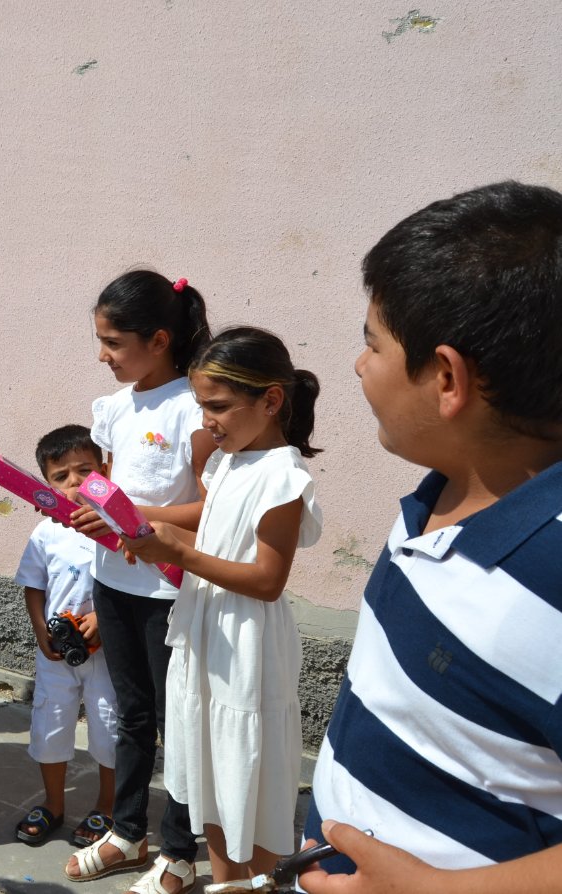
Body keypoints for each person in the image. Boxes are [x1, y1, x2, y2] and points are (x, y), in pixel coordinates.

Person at [296, 181, 562, 894]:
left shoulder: (551, 572)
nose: (358, 365)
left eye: (372, 343)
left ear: (446, 378)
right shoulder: (442, 491)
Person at [123, 327, 323, 884]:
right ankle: (225, 879)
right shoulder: (228, 461)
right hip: (206, 631)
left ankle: (254, 880)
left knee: (247, 776)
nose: (206, 420)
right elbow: (209, 519)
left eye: (218, 406)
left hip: (247, 645)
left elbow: (266, 579)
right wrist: (140, 523)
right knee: (209, 768)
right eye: (200, 406)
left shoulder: (283, 476)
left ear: (271, 400)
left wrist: (176, 552)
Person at [65, 270, 214, 893]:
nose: (102, 355)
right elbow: (105, 487)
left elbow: (212, 505)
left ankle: (178, 850)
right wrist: (82, 506)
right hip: (113, 582)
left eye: (113, 342)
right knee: (132, 714)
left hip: (169, 591)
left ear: (158, 339)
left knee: (175, 719)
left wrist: (138, 520)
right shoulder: (115, 408)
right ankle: (128, 832)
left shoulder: (195, 407)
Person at [12, 425, 120, 849]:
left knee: (108, 730)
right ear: (47, 484)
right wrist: (42, 631)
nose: (74, 482)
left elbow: (132, 585)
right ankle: (53, 804)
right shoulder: (46, 534)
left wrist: (105, 624)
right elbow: (33, 586)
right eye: (61, 476)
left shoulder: (118, 529)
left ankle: (107, 806)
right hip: (56, 655)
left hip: (108, 656)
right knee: (50, 726)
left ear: (105, 471)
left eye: (85, 470)